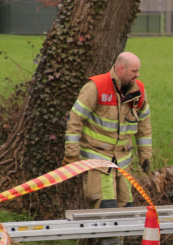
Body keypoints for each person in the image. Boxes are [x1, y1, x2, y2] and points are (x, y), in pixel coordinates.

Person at [63, 52, 152, 209]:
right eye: (134, 71)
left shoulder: (139, 91)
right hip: (97, 161)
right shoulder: (96, 87)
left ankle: (123, 235)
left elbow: (144, 127)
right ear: (121, 69)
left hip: (123, 163)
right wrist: (71, 154)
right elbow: (75, 120)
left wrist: (145, 156)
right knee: (105, 207)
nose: (137, 75)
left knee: (127, 207)